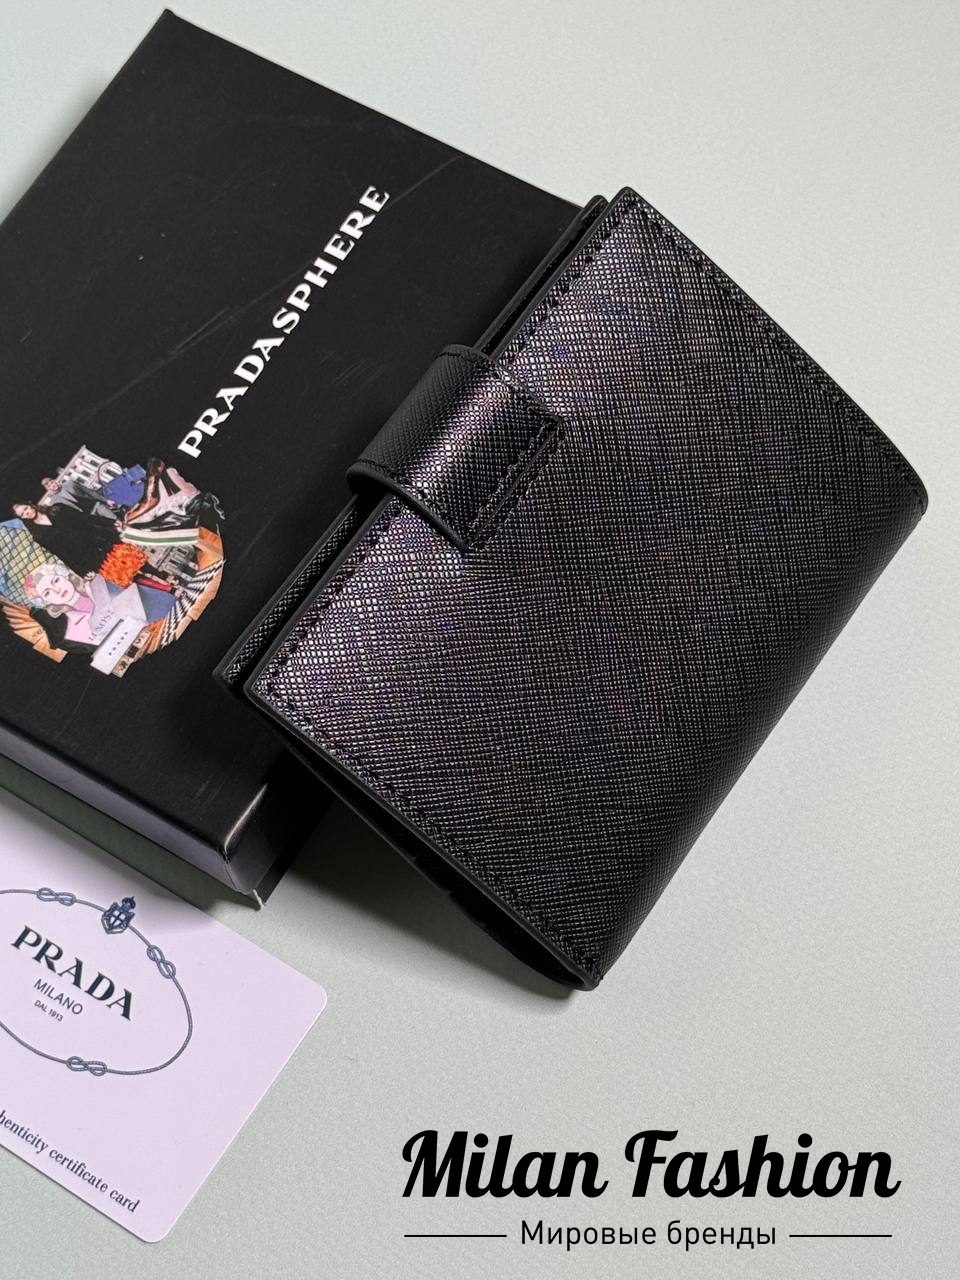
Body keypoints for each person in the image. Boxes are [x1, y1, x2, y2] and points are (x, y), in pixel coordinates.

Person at [13, 501, 120, 577]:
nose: (26, 513)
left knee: (127, 558)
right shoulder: (38, 536)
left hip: (102, 541)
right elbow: (61, 553)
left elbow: (84, 518)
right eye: (22, 514)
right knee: (119, 574)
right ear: (23, 518)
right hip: (90, 558)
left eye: (25, 508)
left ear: (30, 505)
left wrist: (110, 522)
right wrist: (81, 572)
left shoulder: (58, 509)